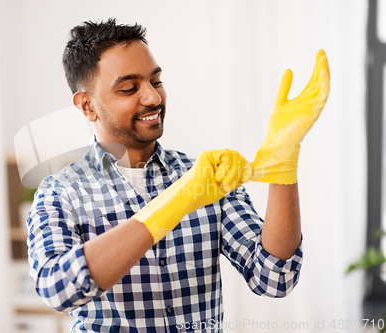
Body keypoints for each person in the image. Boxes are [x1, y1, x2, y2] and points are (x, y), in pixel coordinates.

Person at [26, 19, 329, 332]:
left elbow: (275, 277)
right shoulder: (61, 193)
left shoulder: (209, 178)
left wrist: (283, 163)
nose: (154, 98)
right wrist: (176, 201)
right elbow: (58, 288)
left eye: (156, 82)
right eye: (129, 88)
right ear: (88, 106)